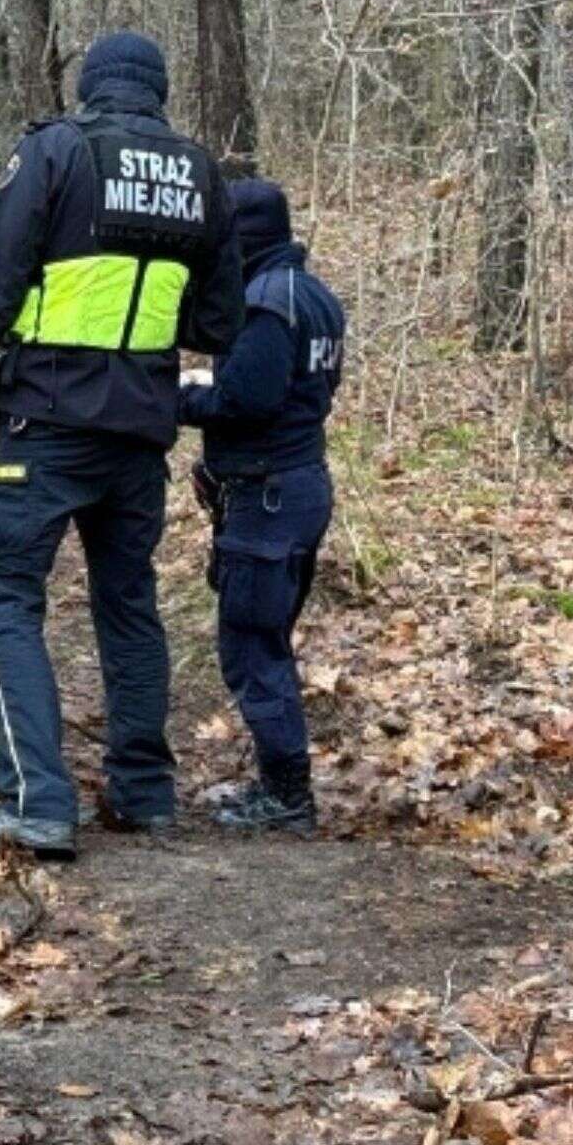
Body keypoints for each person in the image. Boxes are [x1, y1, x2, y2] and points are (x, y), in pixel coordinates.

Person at [0, 31, 247, 860]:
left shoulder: (58, 152)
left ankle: (37, 798)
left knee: (5, 600)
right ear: (158, 92)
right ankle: (145, 792)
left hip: (45, 422)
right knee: (128, 605)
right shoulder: (200, 175)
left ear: (90, 87)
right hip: (140, 430)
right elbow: (219, 321)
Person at [179, 179, 345, 833]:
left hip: (269, 497)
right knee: (265, 638)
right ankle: (280, 782)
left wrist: (173, 399)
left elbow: (245, 400)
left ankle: (287, 797)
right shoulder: (316, 299)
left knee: (251, 646)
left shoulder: (267, 304)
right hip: (296, 486)